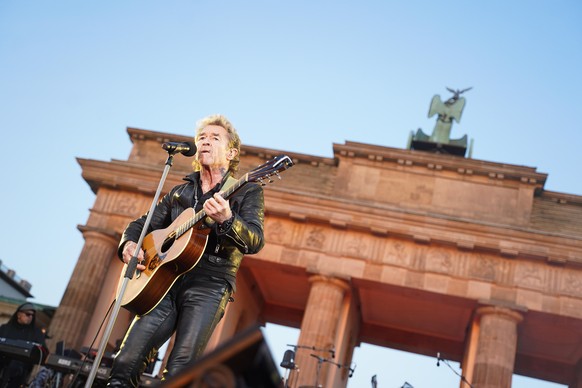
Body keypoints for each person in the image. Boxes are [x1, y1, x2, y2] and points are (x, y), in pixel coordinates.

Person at [107, 114, 265, 387]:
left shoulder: (246, 191)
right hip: (165, 280)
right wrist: (130, 244)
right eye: (202, 137)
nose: (206, 141)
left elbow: (255, 240)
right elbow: (141, 225)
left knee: (181, 367)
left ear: (231, 153)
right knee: (126, 359)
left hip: (210, 282)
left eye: (215, 138)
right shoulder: (179, 193)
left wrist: (228, 219)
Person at [0, 303, 47, 387]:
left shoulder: (36, 333)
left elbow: (43, 351)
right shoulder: (5, 328)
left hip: (20, 372)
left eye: (32, 315)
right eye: (28, 314)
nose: (30, 317)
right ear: (18, 314)